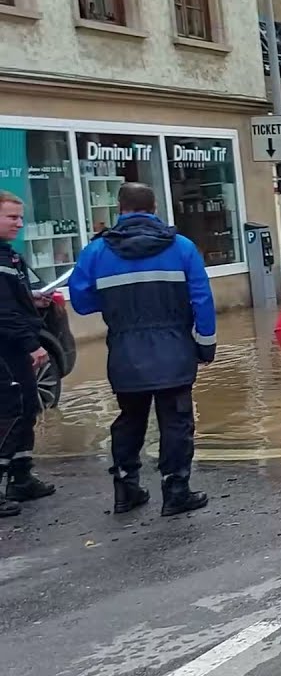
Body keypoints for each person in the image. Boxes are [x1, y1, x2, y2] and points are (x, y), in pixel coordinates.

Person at [68, 182, 215, 517]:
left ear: (120, 209)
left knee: (129, 419)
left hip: (124, 352)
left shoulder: (96, 251)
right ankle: (175, 491)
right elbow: (202, 300)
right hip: (174, 349)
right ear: (155, 208)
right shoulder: (182, 247)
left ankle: (126, 489)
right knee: (176, 422)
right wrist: (206, 345)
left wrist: (118, 305)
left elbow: (81, 302)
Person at [0, 191, 56, 517]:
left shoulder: (9, 257)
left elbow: (11, 300)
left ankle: (21, 477)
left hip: (14, 349)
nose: (19, 224)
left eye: (20, 217)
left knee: (27, 407)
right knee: (8, 413)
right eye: (11, 217)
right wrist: (31, 344)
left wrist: (31, 298)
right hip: (5, 350)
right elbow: (3, 313)